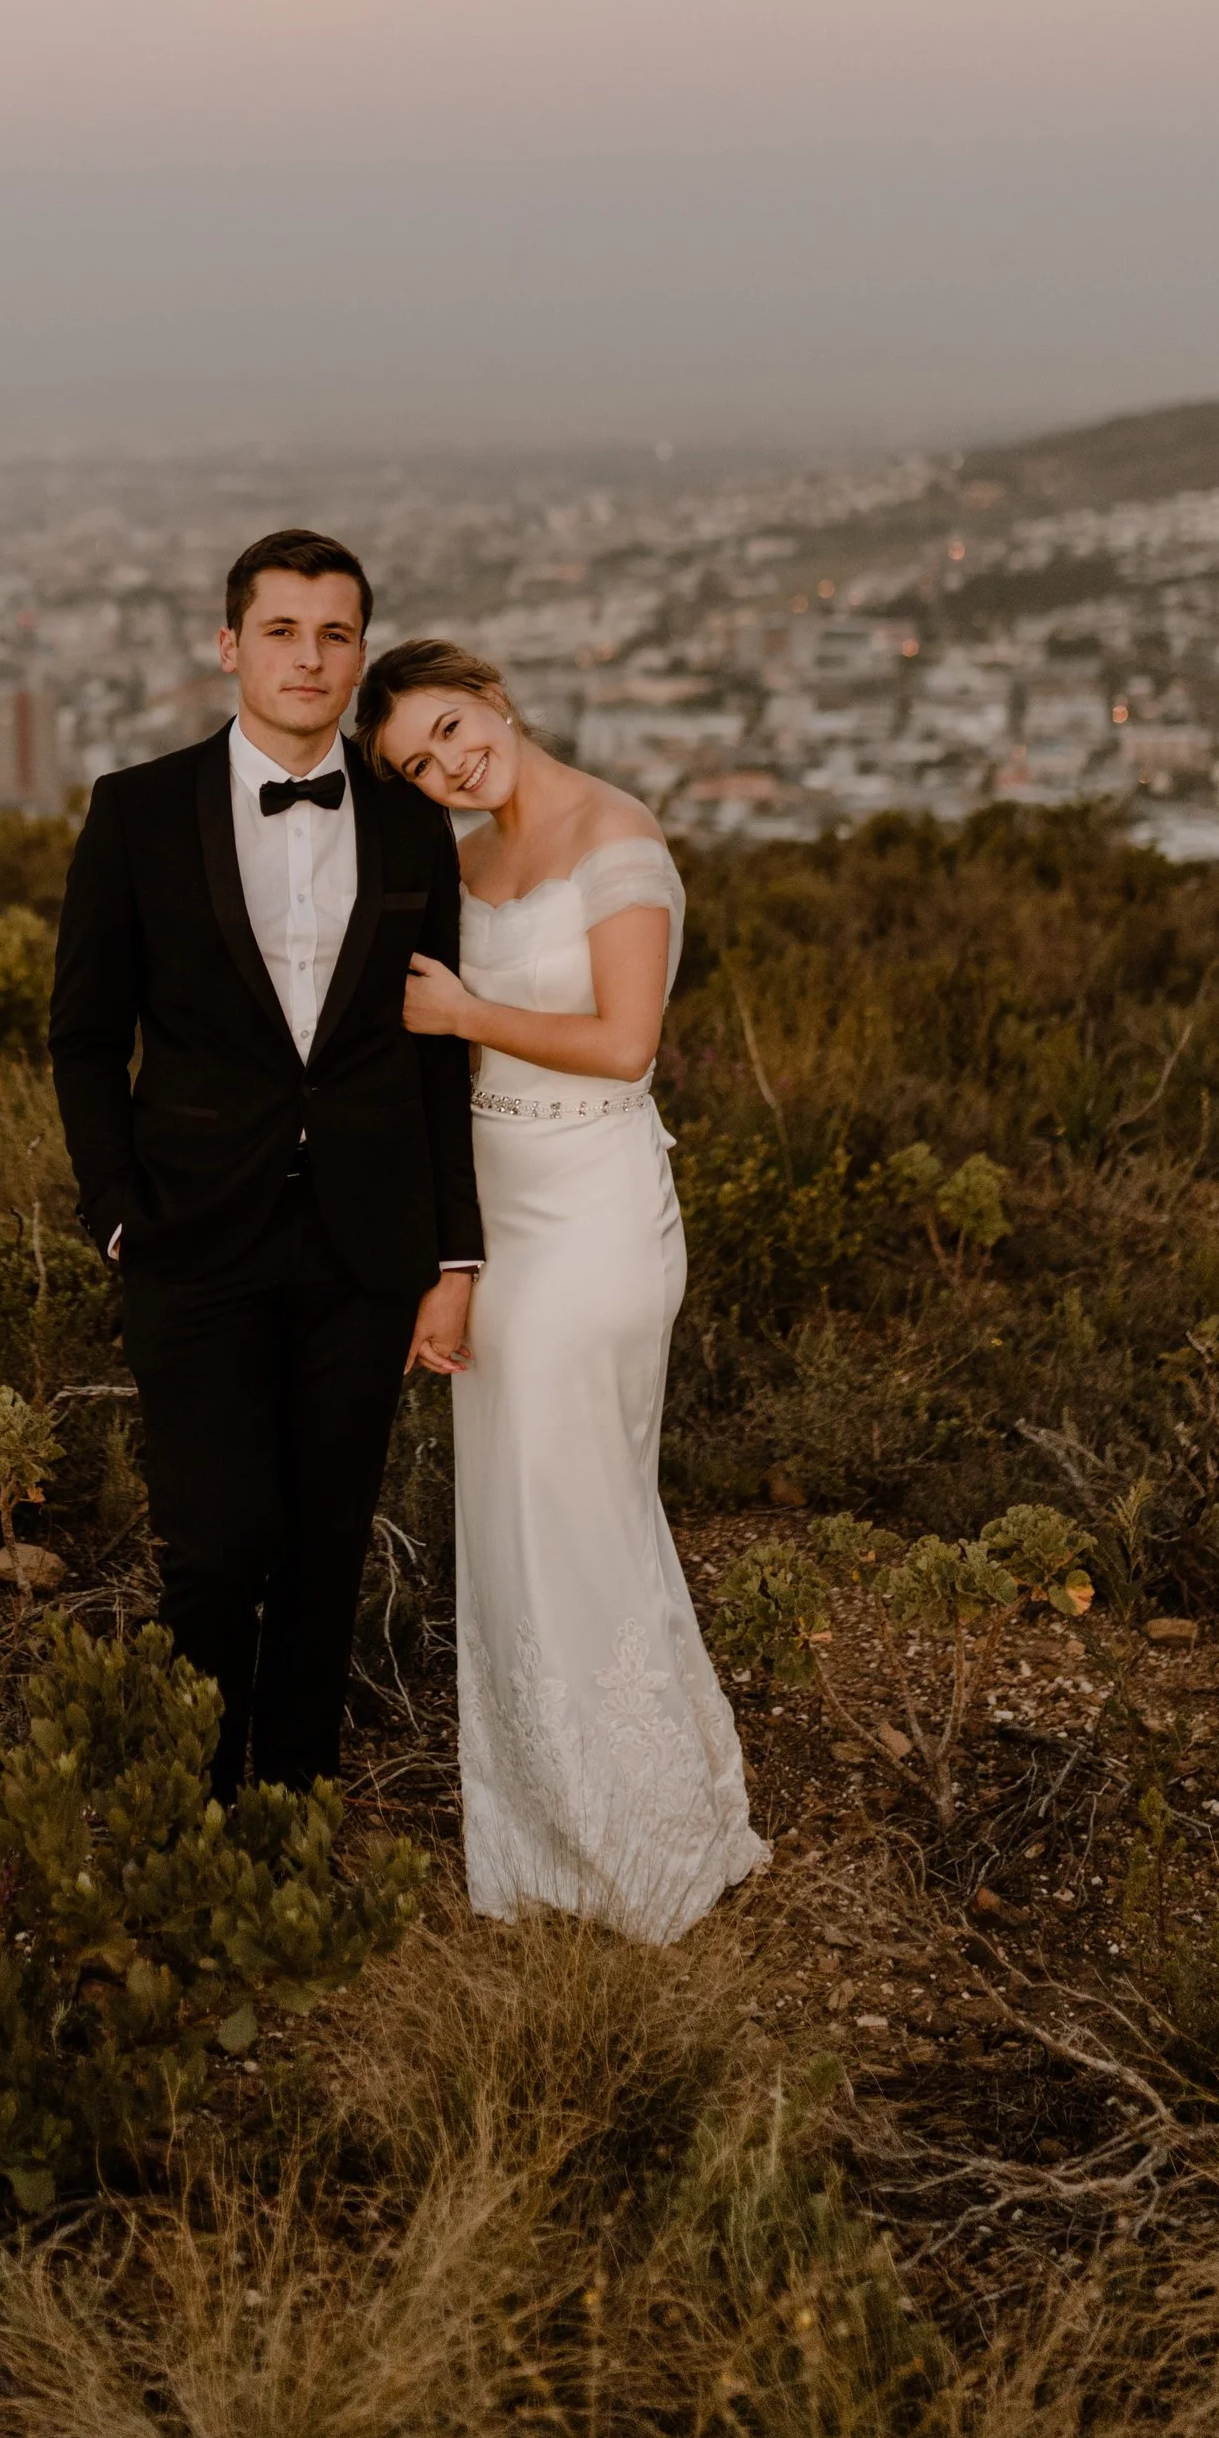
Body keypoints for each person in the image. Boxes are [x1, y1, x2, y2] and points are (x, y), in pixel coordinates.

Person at [49, 529, 481, 1801]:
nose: (309, 657)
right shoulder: (135, 809)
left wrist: (454, 1254)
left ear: (359, 654)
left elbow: (435, 1053)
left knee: (326, 1544)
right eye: (281, 631)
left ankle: (294, 1808)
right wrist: (115, 1214)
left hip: (365, 1238)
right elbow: (84, 1034)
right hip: (190, 1233)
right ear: (228, 645)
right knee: (215, 1547)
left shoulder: (412, 824)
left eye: (334, 634)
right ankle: (195, 1810)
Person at [353, 637, 767, 1942]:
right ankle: (555, 1822)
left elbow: (626, 1043)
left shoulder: (617, 834)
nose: (449, 766)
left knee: (575, 1497)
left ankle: (637, 1841)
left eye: (450, 729)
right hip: (496, 1214)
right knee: (521, 1513)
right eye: (418, 766)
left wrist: (465, 1015)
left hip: (593, 1211)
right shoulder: (465, 860)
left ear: (491, 695)